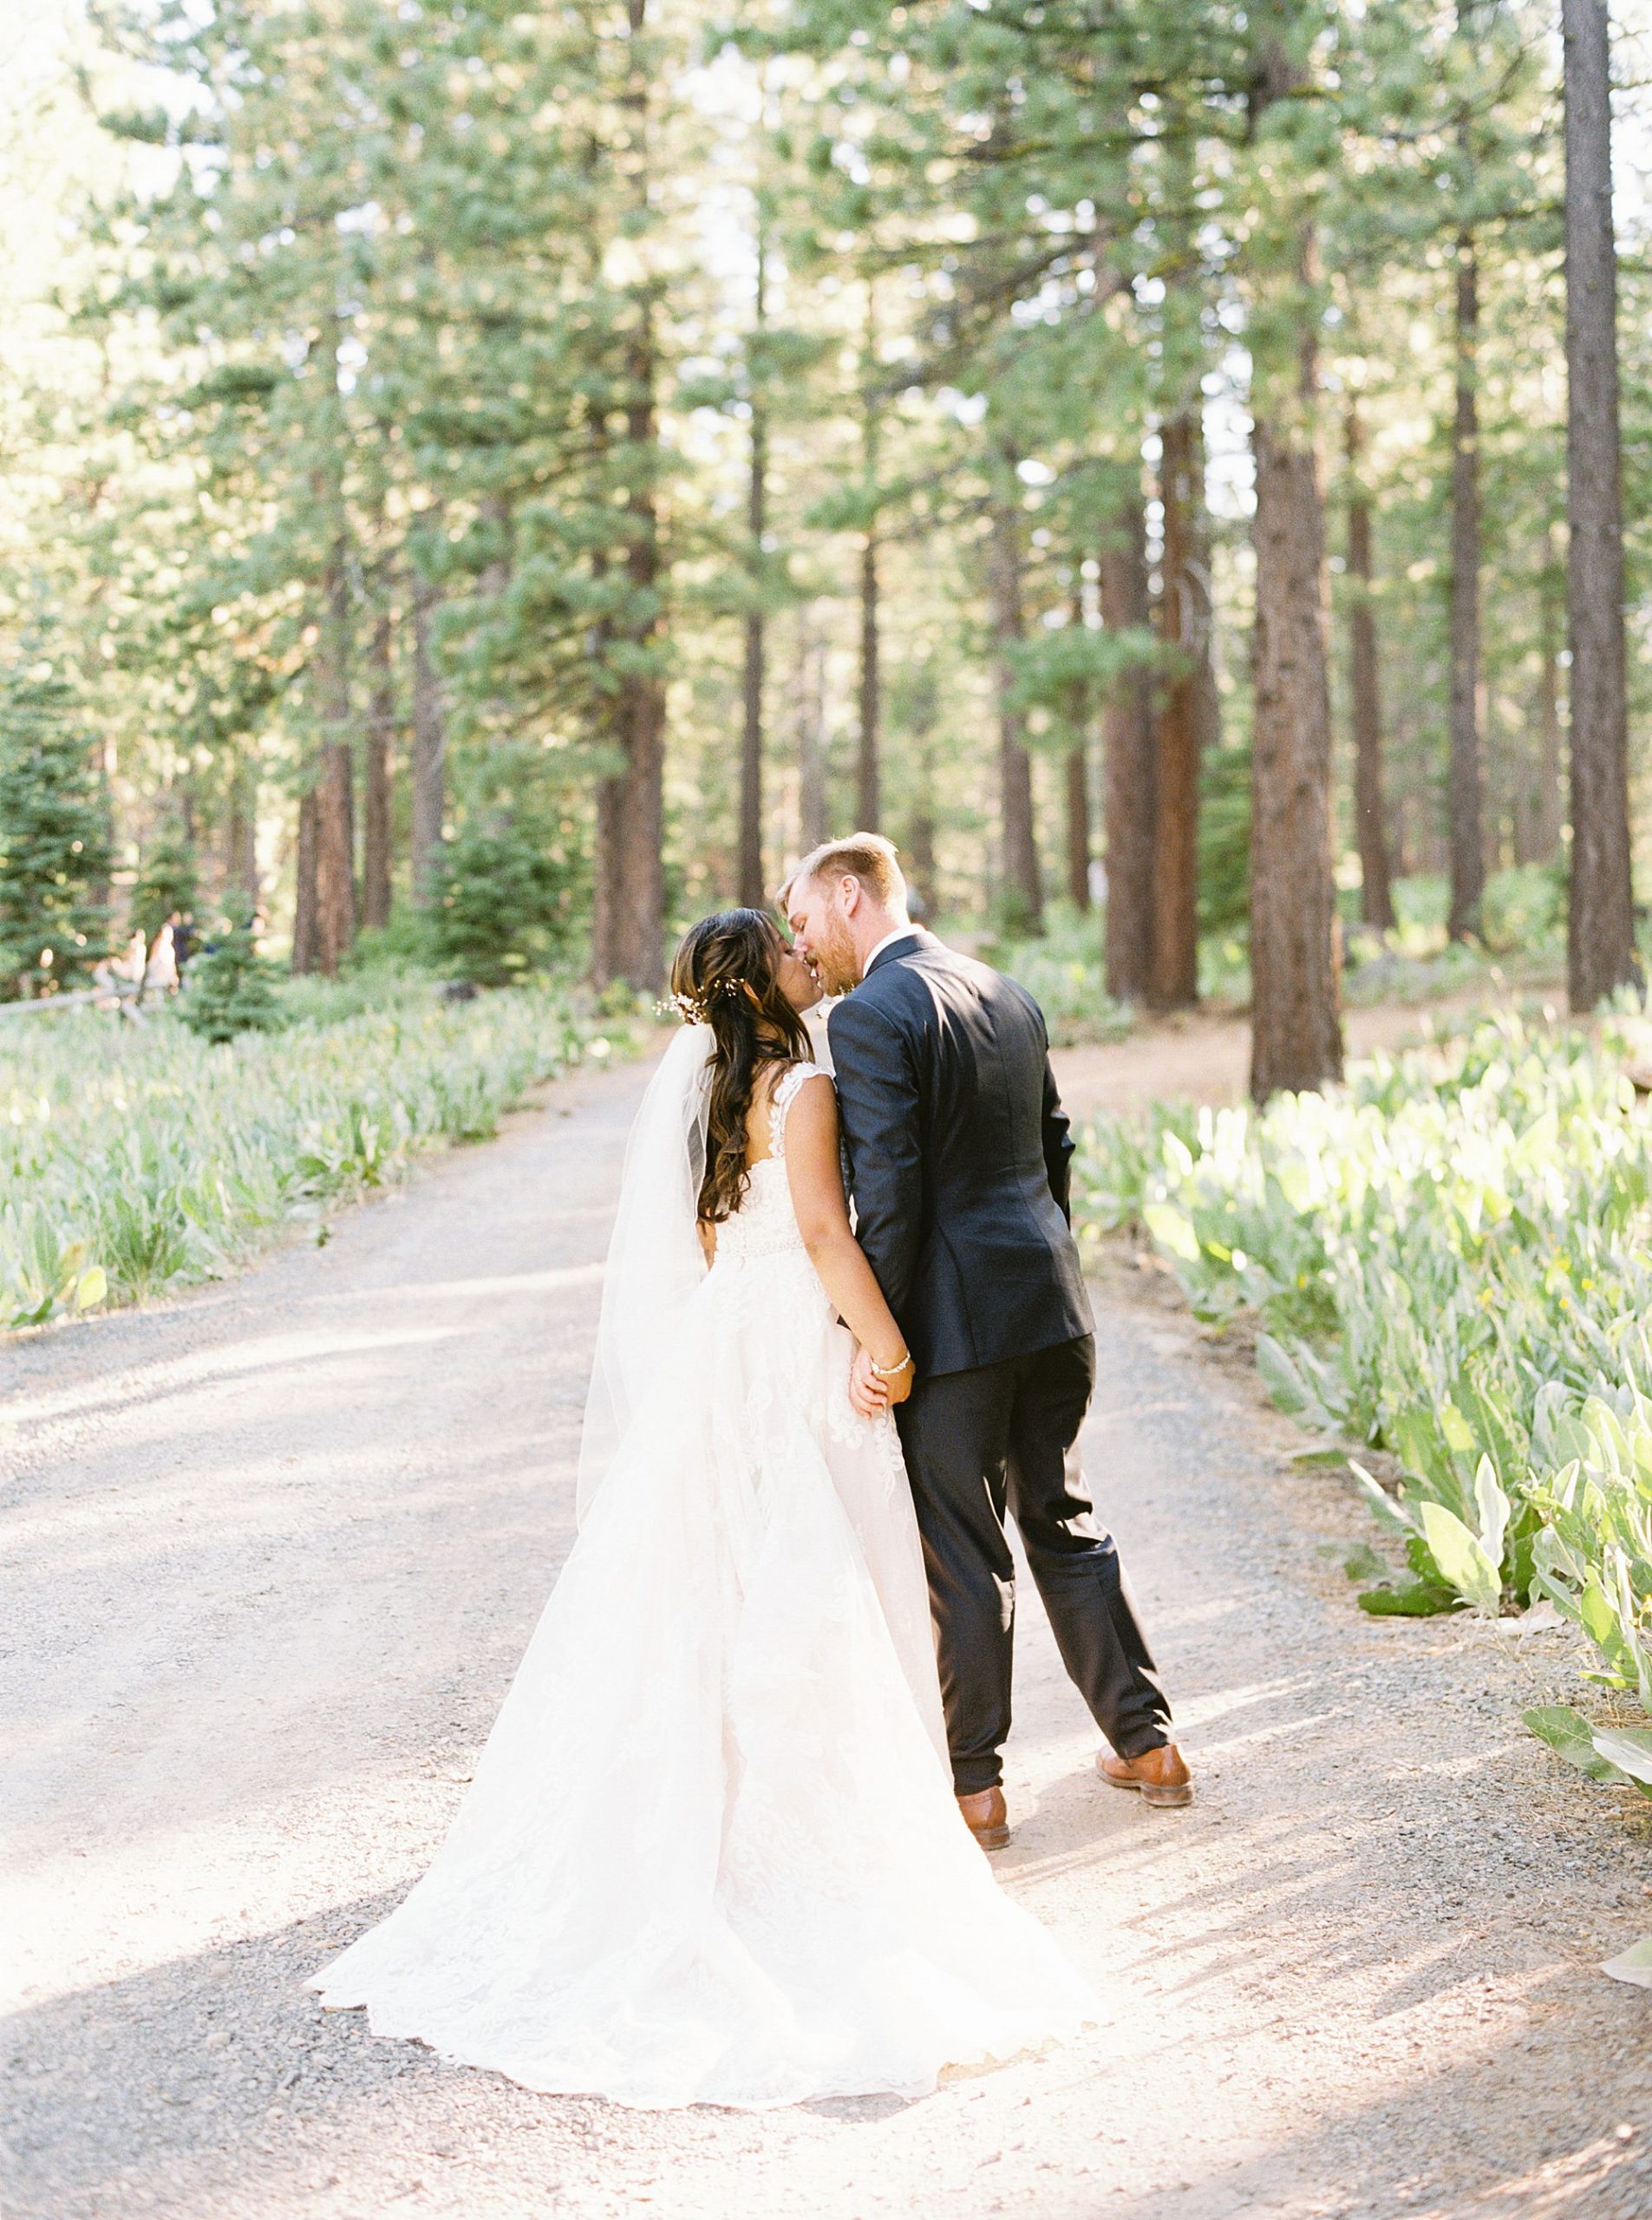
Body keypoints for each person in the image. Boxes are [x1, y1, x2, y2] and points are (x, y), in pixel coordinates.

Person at [310, 908, 1093, 2107]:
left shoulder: (713, 1099)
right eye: (785, 952)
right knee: (812, 1576)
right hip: (789, 1341)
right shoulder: (802, 1091)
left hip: (724, 1341)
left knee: (712, 1581)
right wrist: (882, 1348)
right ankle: (801, 1842)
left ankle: (711, 1816)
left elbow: (711, 1239)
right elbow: (828, 1234)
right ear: (759, 985)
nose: (802, 958)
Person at [782, 833, 1192, 1848]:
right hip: (1051, 1308)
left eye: (802, 920)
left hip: (953, 1329)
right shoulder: (1007, 992)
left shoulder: (873, 1014)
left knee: (963, 1553)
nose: (802, 943)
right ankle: (1149, 1745)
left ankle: (975, 1790)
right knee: (1063, 1516)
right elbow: (1055, 1147)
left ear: (848, 896)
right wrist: (1039, 1262)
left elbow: (891, 1194)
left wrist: (872, 1333)